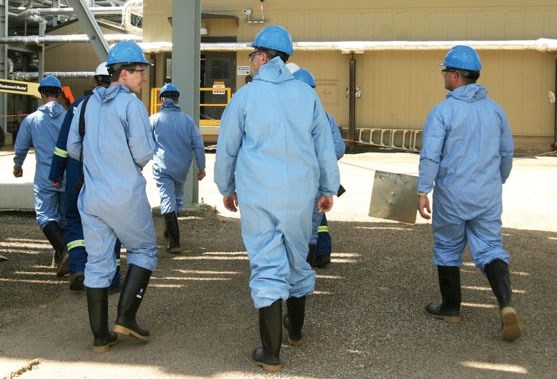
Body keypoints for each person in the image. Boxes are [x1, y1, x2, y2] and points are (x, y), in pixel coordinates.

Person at [214, 25, 340, 372]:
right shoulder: (307, 96)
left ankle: (271, 354)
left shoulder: (245, 98)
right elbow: (324, 148)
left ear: (265, 57)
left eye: (253, 55)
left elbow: (227, 149)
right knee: (297, 260)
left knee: (267, 265)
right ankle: (295, 333)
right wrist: (328, 188)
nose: (251, 61)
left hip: (258, 194)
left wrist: (226, 187)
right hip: (300, 194)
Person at [417, 45, 520, 342]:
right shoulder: (496, 110)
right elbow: (506, 153)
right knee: (491, 247)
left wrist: (424, 189)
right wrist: (496, 180)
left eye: (446, 71)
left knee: (448, 247)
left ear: (456, 75)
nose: (444, 76)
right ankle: (506, 305)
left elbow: (431, 156)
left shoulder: (443, 111)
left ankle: (450, 307)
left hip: (453, 194)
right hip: (487, 193)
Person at [67, 40, 157, 353]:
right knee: (143, 250)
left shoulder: (87, 104)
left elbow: (74, 149)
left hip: (92, 198)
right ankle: (126, 318)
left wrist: (100, 161)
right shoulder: (132, 105)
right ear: (122, 74)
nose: (144, 77)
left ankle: (100, 338)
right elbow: (144, 152)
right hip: (124, 194)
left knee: (98, 263)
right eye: (140, 71)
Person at [49, 62, 122, 292]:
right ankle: (112, 277)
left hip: (78, 169)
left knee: (74, 219)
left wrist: (56, 174)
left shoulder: (78, 106)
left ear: (94, 80)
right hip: (111, 172)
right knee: (112, 221)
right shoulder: (124, 105)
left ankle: (79, 268)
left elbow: (63, 146)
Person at [286, 64, 346, 268]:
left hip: (292, 181)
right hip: (317, 181)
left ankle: (295, 268)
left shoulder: (285, 117)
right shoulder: (324, 116)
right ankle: (310, 264)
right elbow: (337, 148)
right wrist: (321, 165)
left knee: (294, 225)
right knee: (314, 224)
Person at [13, 75, 68, 277]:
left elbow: (20, 147)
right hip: (66, 176)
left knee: (45, 216)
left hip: (45, 176)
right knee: (63, 218)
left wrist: (17, 166)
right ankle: (61, 256)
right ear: (59, 94)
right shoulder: (69, 117)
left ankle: (64, 250)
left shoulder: (32, 120)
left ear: (42, 94)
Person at [150, 83, 206, 253]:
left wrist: (138, 163)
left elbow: (143, 143)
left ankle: (174, 241)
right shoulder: (188, 121)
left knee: (167, 199)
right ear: (177, 99)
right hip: (182, 168)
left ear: (161, 100)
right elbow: (198, 144)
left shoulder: (153, 120)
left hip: (162, 166)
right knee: (177, 198)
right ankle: (169, 231)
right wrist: (201, 167)